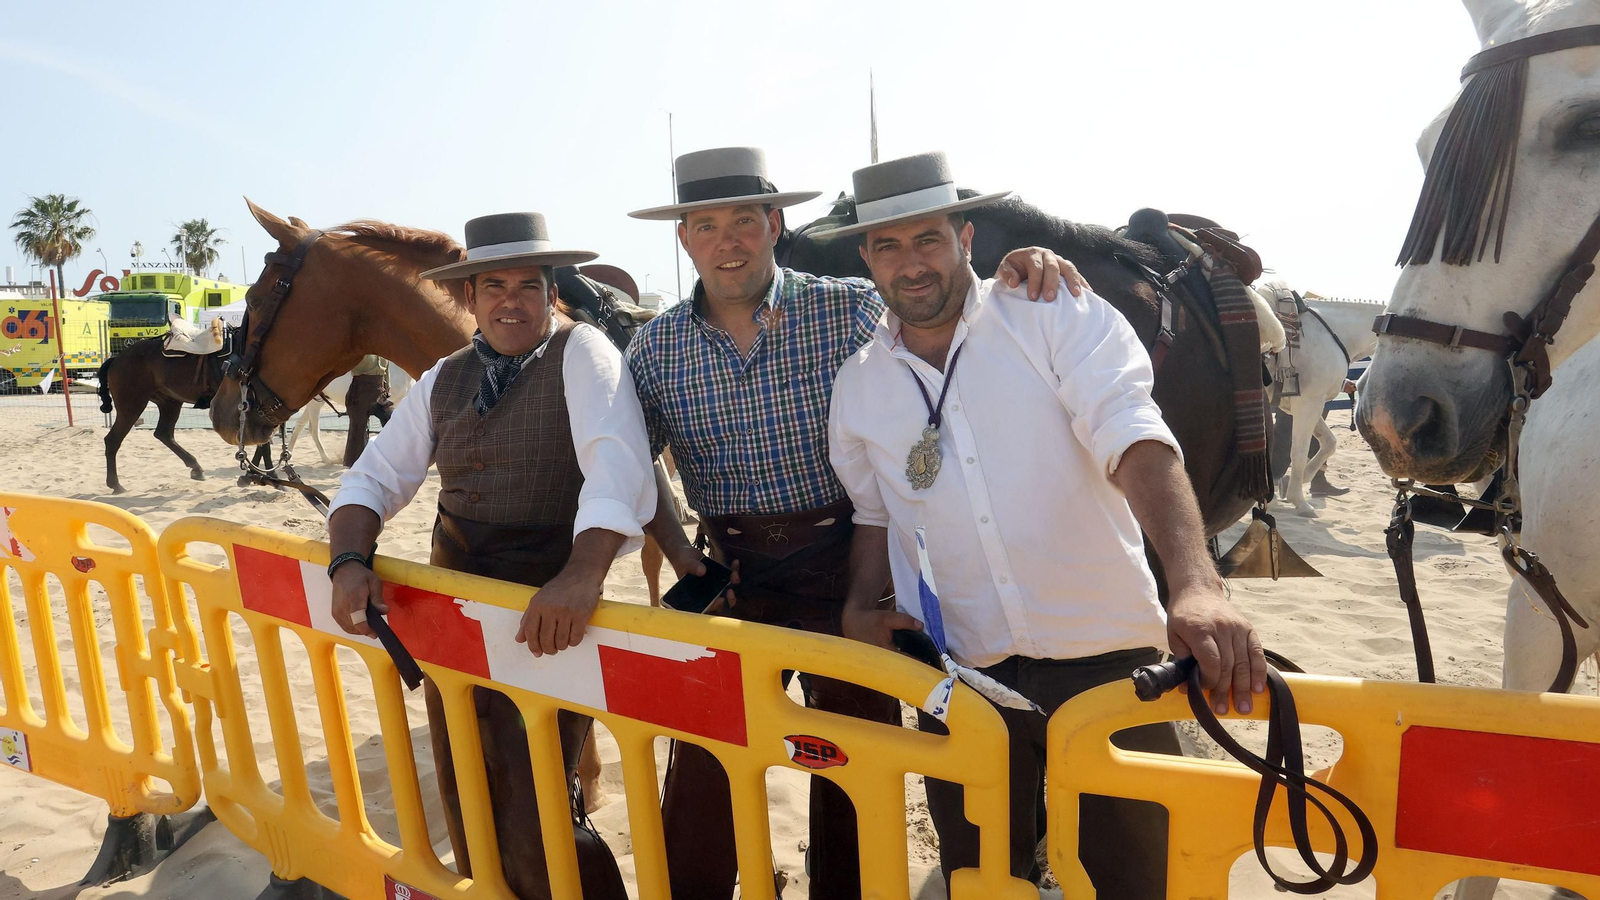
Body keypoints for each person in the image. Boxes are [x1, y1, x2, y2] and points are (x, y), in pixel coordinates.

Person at [624, 146, 1086, 899]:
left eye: (745, 220)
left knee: (851, 761)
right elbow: (630, 461)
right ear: (685, 241)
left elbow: (946, 333)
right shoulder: (655, 347)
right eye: (706, 226)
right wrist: (681, 555)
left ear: (776, 224)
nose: (728, 241)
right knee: (703, 761)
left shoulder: (849, 307)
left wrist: (1027, 266)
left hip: (850, 563)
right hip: (733, 574)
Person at [822, 153, 1266, 898]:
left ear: (966, 237)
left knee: (1135, 879)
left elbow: (1134, 435)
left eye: (927, 239)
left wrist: (1196, 583)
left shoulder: (1052, 311)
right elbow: (876, 510)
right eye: (889, 246)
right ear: (867, 257)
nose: (911, 263)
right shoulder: (859, 386)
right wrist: (861, 602)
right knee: (982, 879)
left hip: (1107, 664)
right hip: (961, 677)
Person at [324, 212, 655, 900]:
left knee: (539, 791)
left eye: (529, 285)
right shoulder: (445, 375)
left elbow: (616, 468)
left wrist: (580, 576)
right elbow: (374, 479)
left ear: (551, 291)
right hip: (455, 613)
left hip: (547, 608)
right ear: (468, 298)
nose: (512, 300)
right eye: (493, 285)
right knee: (465, 780)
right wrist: (349, 559)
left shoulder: (584, 352)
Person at [342, 354, 395, 466]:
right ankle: (357, 465)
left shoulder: (381, 351)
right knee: (358, 432)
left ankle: (391, 456)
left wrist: (387, 386)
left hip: (379, 393)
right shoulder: (360, 350)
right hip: (359, 394)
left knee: (392, 418)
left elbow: (386, 370)